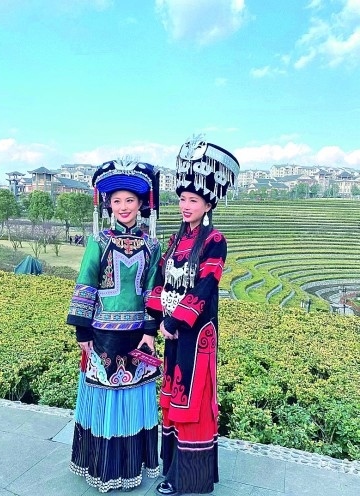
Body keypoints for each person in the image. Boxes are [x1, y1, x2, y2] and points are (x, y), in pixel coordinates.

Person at [146, 136, 240, 495]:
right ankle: (172, 468)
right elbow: (160, 280)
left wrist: (174, 321)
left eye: (193, 200)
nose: (186, 206)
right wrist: (156, 322)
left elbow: (205, 287)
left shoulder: (215, 241)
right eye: (183, 199)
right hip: (172, 332)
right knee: (173, 396)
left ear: (207, 204)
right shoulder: (174, 240)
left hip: (196, 334)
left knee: (192, 399)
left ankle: (187, 477)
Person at [66, 159, 162, 493]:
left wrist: (150, 331)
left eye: (130, 200)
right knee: (106, 399)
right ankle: (103, 469)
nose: (123, 207)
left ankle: (132, 466)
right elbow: (86, 283)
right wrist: (82, 331)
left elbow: (153, 291)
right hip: (102, 334)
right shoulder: (98, 241)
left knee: (134, 398)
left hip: (138, 335)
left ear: (141, 204)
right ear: (108, 205)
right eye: (117, 200)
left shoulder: (152, 246)